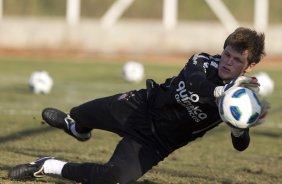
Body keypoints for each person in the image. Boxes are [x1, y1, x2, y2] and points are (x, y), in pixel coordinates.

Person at [8, 27, 269, 184]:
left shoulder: (241, 100)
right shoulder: (202, 61)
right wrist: (218, 92)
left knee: (113, 178)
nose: (227, 62)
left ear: (249, 65)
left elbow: (240, 145)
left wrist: (239, 128)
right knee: (81, 112)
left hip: (156, 143)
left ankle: (46, 165)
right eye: (226, 54)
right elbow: (194, 81)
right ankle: (78, 128)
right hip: (140, 106)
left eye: (236, 60)